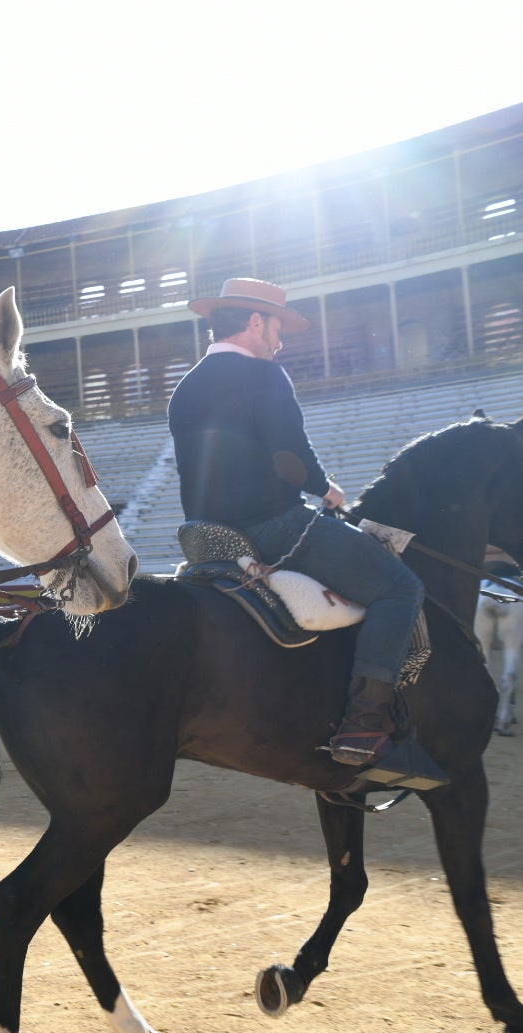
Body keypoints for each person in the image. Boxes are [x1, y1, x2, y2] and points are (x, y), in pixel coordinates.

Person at [167, 278, 447, 790]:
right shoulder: (264, 374)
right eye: (277, 326)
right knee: (400, 588)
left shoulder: (187, 386)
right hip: (272, 526)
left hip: (205, 536)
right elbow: (288, 456)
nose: (280, 339)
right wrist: (327, 488)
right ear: (255, 323)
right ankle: (365, 726)